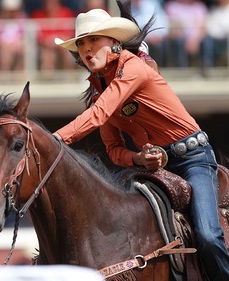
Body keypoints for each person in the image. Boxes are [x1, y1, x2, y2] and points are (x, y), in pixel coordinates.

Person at [52, 8, 229, 281]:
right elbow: (113, 149)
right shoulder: (100, 91)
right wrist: (138, 159)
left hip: (193, 158)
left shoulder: (132, 67)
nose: (86, 50)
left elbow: (98, 115)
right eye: (81, 45)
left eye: (93, 41)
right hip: (153, 167)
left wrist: (56, 140)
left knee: (207, 234)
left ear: (113, 41)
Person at [30, 0, 76, 71]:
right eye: (47, 2)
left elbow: (69, 34)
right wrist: (47, 41)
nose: (49, 4)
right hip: (45, 46)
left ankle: (68, 77)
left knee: (66, 51)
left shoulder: (66, 13)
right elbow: (38, 36)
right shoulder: (38, 14)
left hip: (62, 45)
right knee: (47, 55)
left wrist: (55, 41)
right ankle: (47, 79)